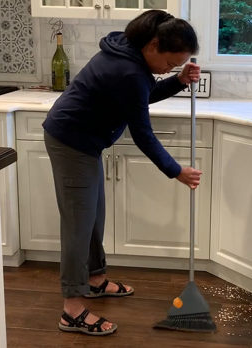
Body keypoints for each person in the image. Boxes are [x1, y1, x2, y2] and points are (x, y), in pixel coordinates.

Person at [42, 10, 202, 337]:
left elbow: (140, 96)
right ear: (154, 45)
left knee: (93, 216)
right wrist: (176, 171)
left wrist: (177, 81)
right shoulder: (128, 69)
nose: (168, 69)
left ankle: (95, 279)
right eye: (171, 63)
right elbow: (142, 132)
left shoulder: (130, 56)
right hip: (71, 142)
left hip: (86, 143)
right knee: (78, 224)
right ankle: (71, 310)